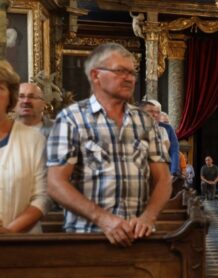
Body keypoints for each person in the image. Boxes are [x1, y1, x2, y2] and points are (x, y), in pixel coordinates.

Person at [47, 43, 171, 246]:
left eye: (132, 72)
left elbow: (164, 179)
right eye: (120, 71)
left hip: (139, 237)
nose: (129, 78)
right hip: (88, 236)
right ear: (96, 75)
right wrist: (102, 219)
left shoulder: (144, 121)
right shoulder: (72, 119)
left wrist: (149, 217)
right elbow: (55, 184)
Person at [0, 60, 49, 233]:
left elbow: (42, 197)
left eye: (0, 88)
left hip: (22, 245)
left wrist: (9, 233)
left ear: (10, 96)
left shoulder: (34, 140)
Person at [141, 99, 180, 177]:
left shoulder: (165, 129)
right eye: (151, 111)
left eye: (158, 112)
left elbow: (174, 150)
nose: (155, 114)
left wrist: (174, 171)